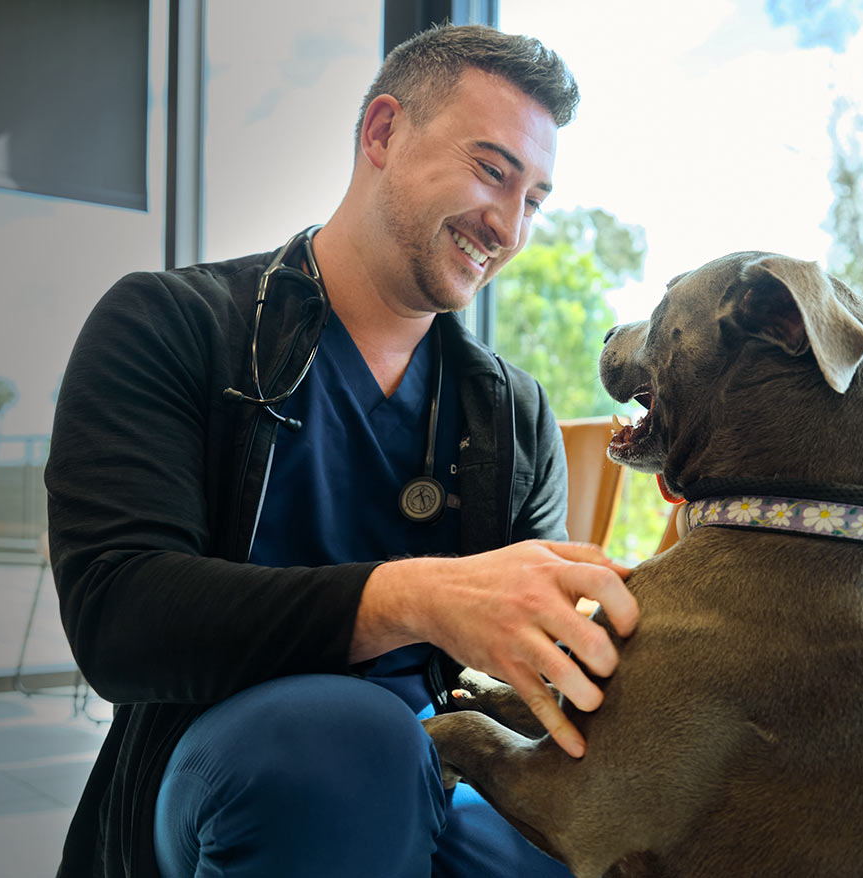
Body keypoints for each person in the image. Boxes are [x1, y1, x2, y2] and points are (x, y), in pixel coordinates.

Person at [44, 24, 639, 878]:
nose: (508, 226)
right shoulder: (168, 325)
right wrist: (417, 597)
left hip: (442, 762)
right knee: (344, 746)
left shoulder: (512, 414)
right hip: (232, 766)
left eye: (535, 199)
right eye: (490, 170)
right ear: (383, 133)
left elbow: (522, 681)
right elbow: (119, 620)